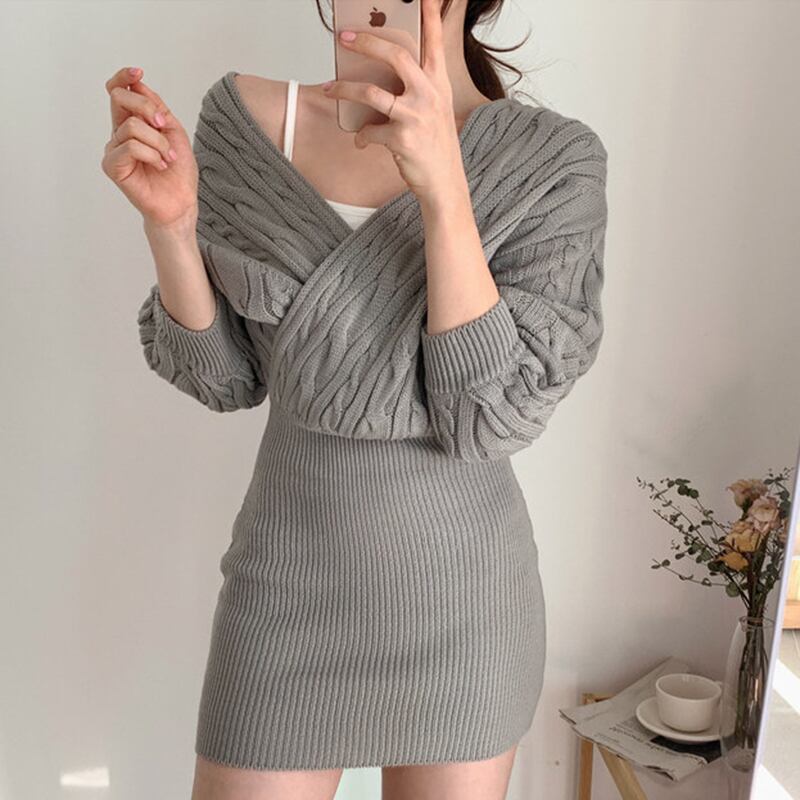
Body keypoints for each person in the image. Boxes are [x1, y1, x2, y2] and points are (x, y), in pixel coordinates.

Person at [100, 0, 608, 797]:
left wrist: (444, 187)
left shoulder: (555, 161)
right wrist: (173, 226)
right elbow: (223, 378)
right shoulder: (246, 121)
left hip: (465, 605)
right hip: (285, 589)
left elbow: (491, 418)